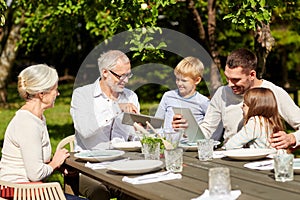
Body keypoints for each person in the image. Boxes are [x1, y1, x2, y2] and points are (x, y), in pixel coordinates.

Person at [172, 48, 300, 149]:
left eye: (236, 80)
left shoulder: (272, 92)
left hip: (264, 161)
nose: (230, 84)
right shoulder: (222, 93)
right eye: (227, 78)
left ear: (252, 74)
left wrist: (292, 138)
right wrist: (187, 128)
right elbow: (207, 131)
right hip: (229, 157)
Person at [0, 64, 84, 200]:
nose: (58, 93)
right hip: (17, 193)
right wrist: (54, 163)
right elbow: (35, 174)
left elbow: (34, 162)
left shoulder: (37, 117)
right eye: (55, 90)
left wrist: (56, 166)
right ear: (41, 94)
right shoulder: (27, 123)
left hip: (29, 190)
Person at [70, 50, 139, 200]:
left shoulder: (131, 96)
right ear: (105, 72)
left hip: (121, 164)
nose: (126, 80)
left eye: (128, 75)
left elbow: (133, 137)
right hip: (88, 167)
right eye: (121, 76)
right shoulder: (82, 95)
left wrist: (141, 129)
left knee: (137, 193)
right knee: (100, 194)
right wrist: (116, 108)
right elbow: (85, 130)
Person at [155, 56, 210, 131]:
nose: (179, 83)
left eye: (184, 81)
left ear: (197, 80)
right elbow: (156, 123)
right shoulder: (168, 96)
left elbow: (210, 127)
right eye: (177, 79)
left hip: (191, 142)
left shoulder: (203, 101)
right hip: (168, 141)